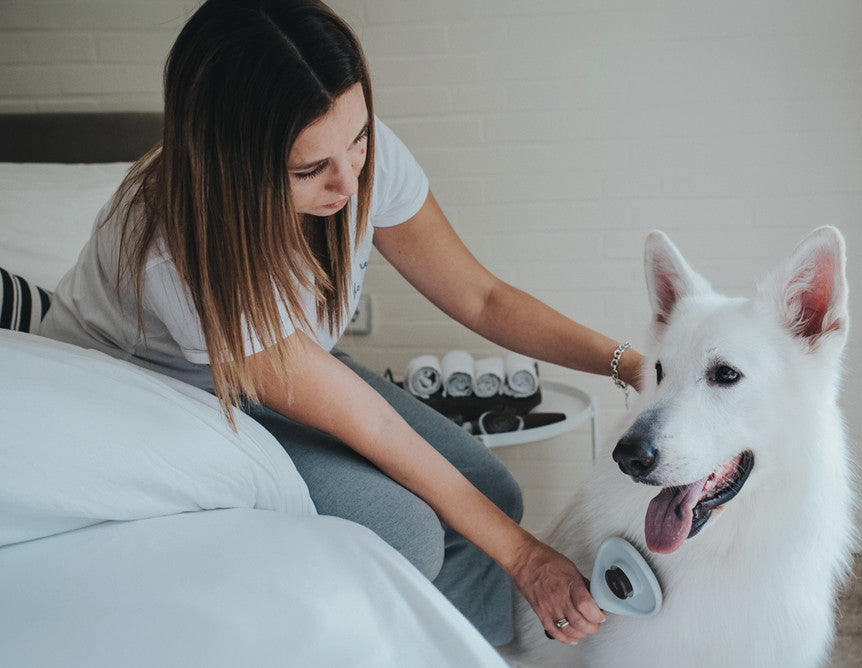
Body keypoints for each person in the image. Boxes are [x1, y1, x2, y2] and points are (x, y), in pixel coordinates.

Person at [39, 0, 645, 647]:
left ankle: (469, 649)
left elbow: (483, 298)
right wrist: (526, 558)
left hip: (282, 366)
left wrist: (631, 364)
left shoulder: (354, 157)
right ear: (234, 169)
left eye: (358, 139)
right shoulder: (177, 250)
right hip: (172, 394)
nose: (349, 182)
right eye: (309, 170)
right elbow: (372, 422)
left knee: (488, 490)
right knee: (404, 531)